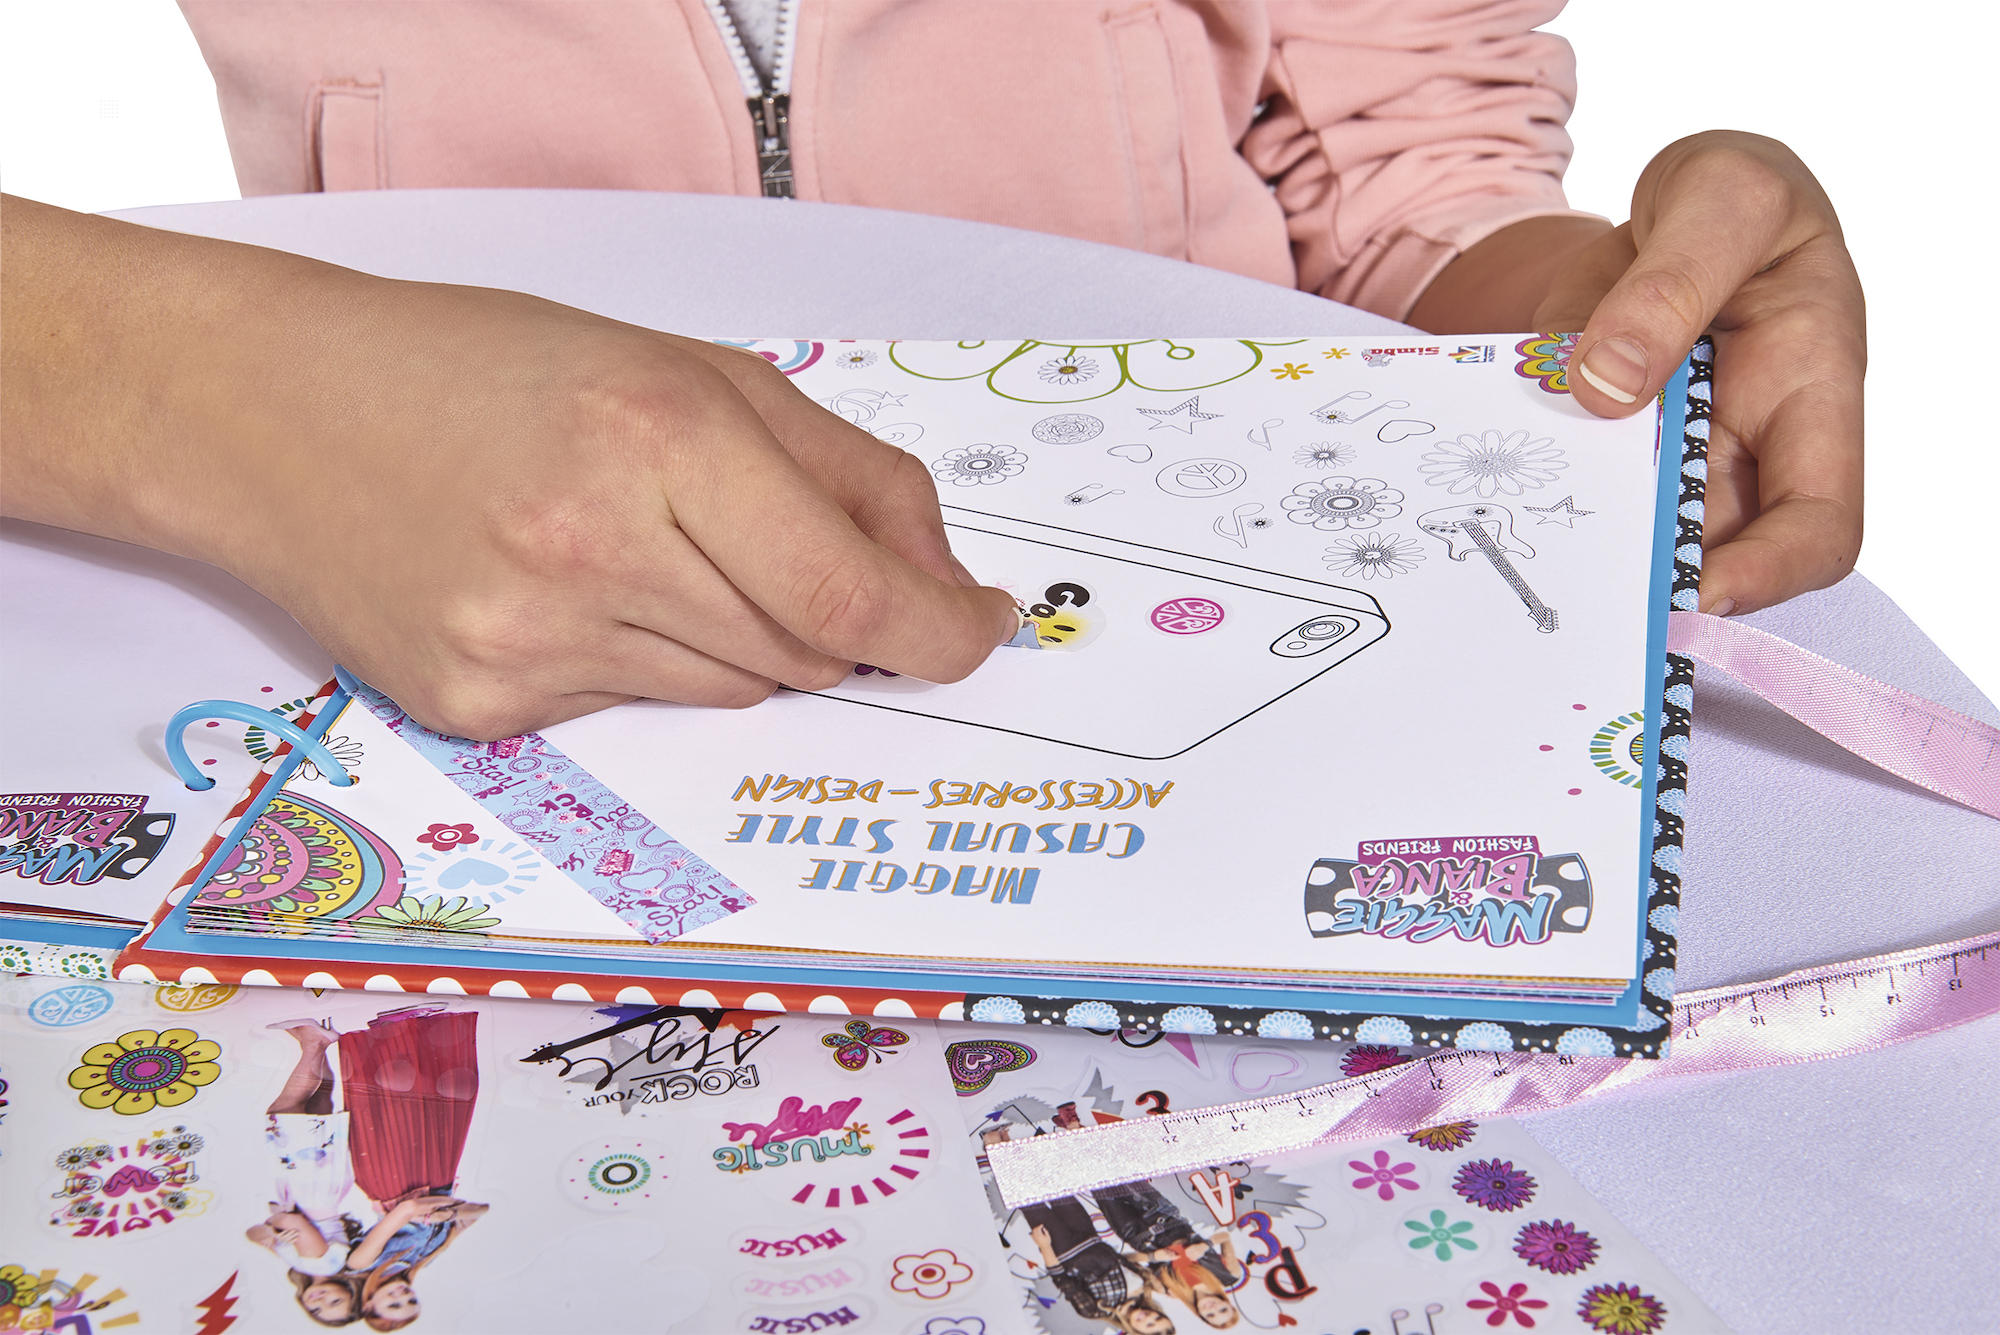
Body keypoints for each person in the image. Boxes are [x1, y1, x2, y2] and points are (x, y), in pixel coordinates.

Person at [0, 3, 1864, 740]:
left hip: (1199, 683)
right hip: (398, 666)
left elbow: (1406, 177)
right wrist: (219, 395)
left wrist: (1596, 335)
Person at [248, 1018, 380, 1327]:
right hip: (309, 1188)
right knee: (286, 1111)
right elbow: (289, 1221)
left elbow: (254, 1235)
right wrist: (275, 1226)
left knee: (318, 1106)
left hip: (319, 1187)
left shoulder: (305, 1267)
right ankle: (314, 1043)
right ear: (351, 1290)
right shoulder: (320, 1265)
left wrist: (268, 1232)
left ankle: (315, 1044)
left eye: (318, 1310)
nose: (321, 1301)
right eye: (336, 1301)